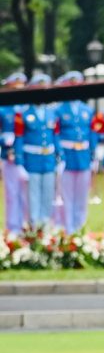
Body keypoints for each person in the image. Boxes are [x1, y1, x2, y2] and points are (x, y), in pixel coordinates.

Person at [54, 71, 104, 233]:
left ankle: (80, 227)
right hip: (67, 156)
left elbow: (92, 133)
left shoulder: (86, 109)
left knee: (82, 196)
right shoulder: (59, 110)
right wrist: (59, 153)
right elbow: (55, 133)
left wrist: (93, 153)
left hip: (83, 156)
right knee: (67, 196)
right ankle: (68, 228)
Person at [14, 73, 59, 227]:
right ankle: (34, 224)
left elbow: (55, 136)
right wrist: (19, 162)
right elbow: (19, 138)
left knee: (48, 194)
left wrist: (61, 156)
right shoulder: (24, 113)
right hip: (32, 159)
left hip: (48, 159)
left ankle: (46, 224)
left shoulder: (52, 113)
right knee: (33, 195)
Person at [1, 72, 28, 234]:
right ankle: (12, 226)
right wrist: (4, 139)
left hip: (28, 156)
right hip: (9, 155)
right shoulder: (3, 108)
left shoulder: (27, 108)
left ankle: (26, 224)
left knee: (27, 193)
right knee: (12, 193)